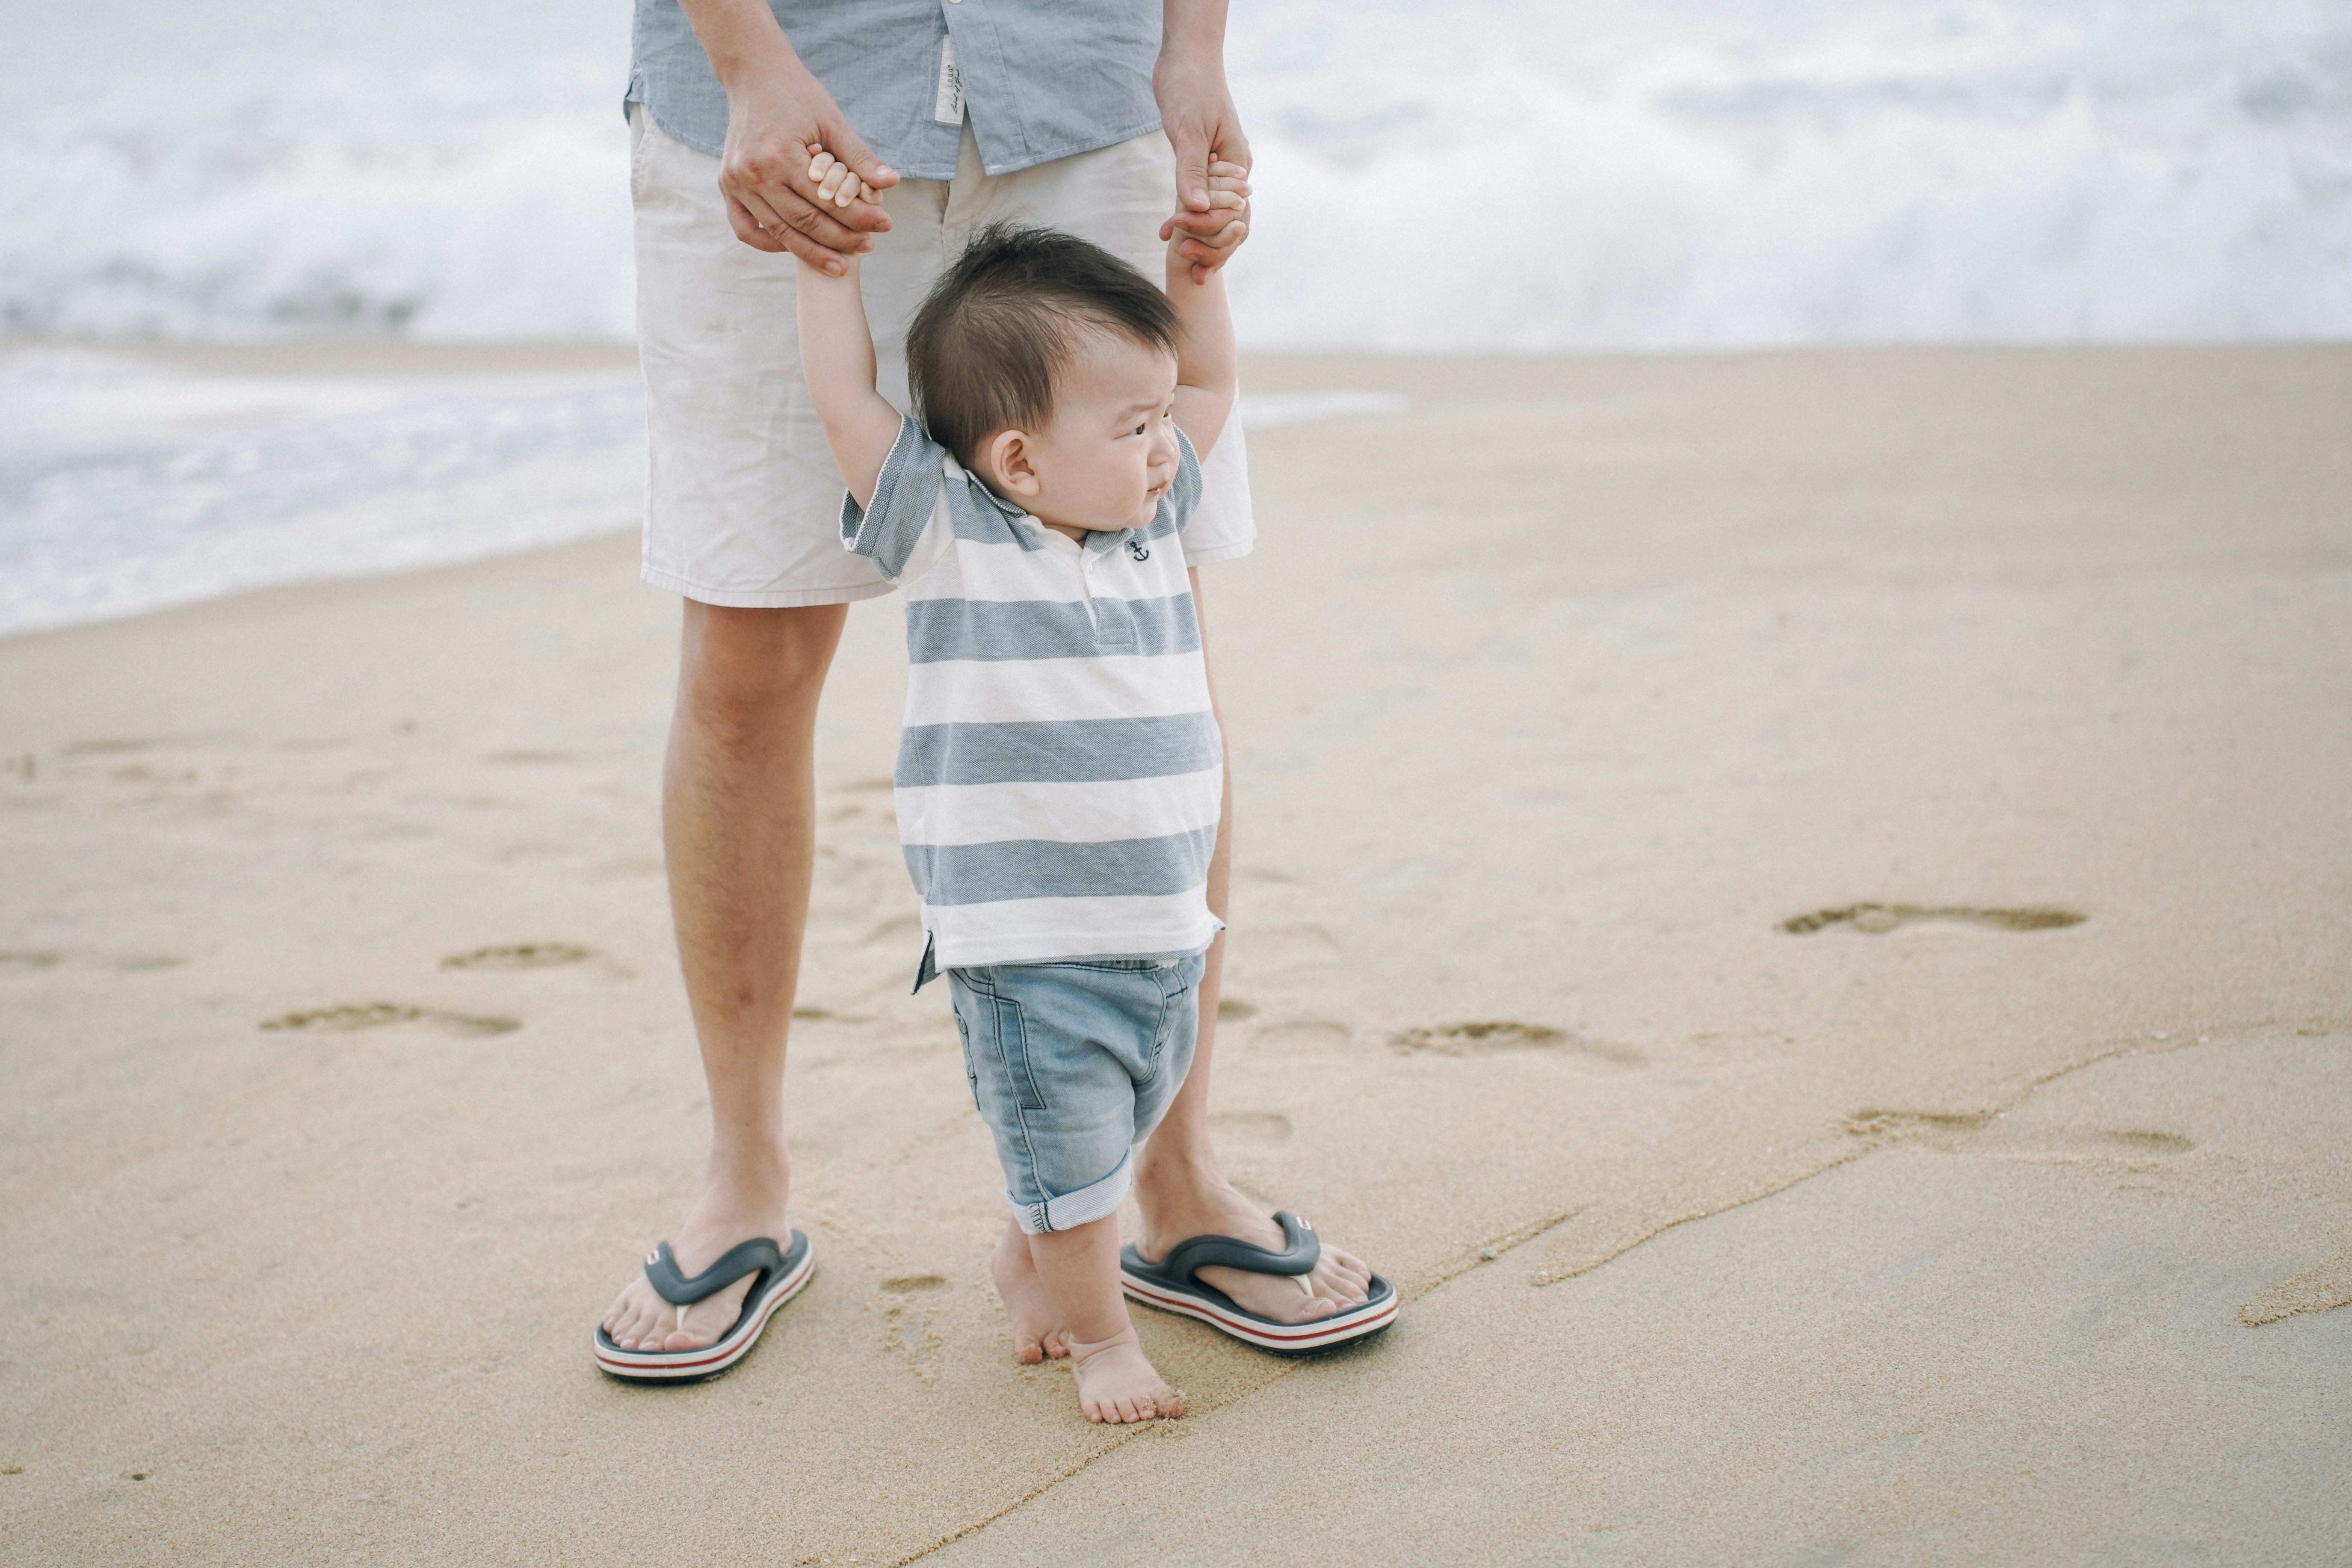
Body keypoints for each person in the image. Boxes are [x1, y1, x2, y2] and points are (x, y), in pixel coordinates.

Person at [594, 0, 1392, 1381]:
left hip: (1088, 81)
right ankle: (745, 1183)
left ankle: (1180, 1179)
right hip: (789, 94)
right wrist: (749, 63)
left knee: (1152, 617)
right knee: (748, 659)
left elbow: (1196, 383)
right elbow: (846, 396)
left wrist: (1195, 49)